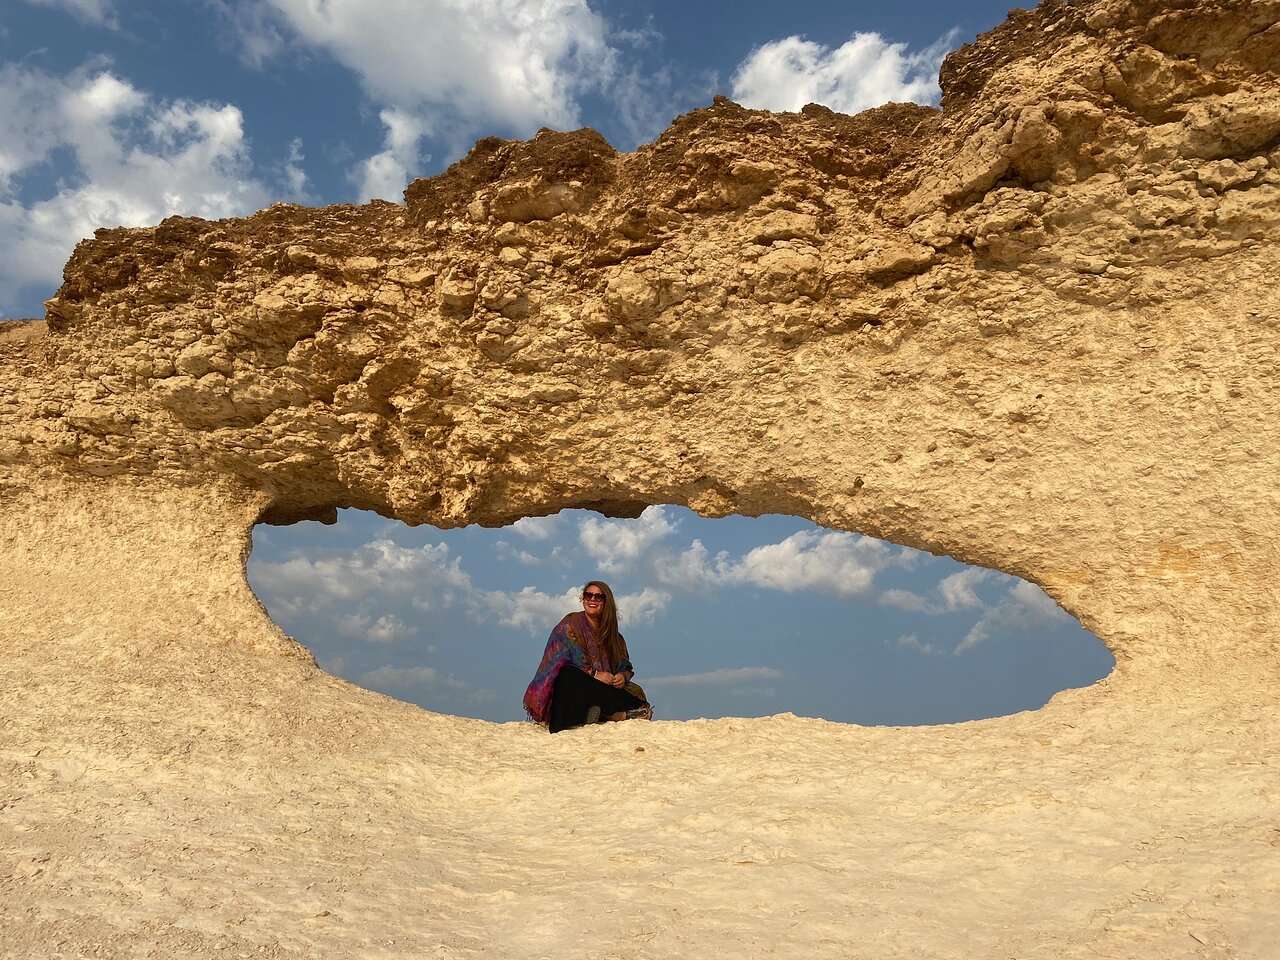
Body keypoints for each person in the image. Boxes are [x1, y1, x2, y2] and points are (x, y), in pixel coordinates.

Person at [522, 580, 654, 733]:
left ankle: (603, 714)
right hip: (572, 690)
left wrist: (622, 676)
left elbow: (625, 665)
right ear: (583, 598)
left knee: (633, 690)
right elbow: (571, 660)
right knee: (568, 675)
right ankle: (612, 715)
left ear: (606, 602)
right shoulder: (570, 624)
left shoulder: (614, 637)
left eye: (598, 597)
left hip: (602, 689)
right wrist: (595, 674)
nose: (592, 599)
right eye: (588, 595)